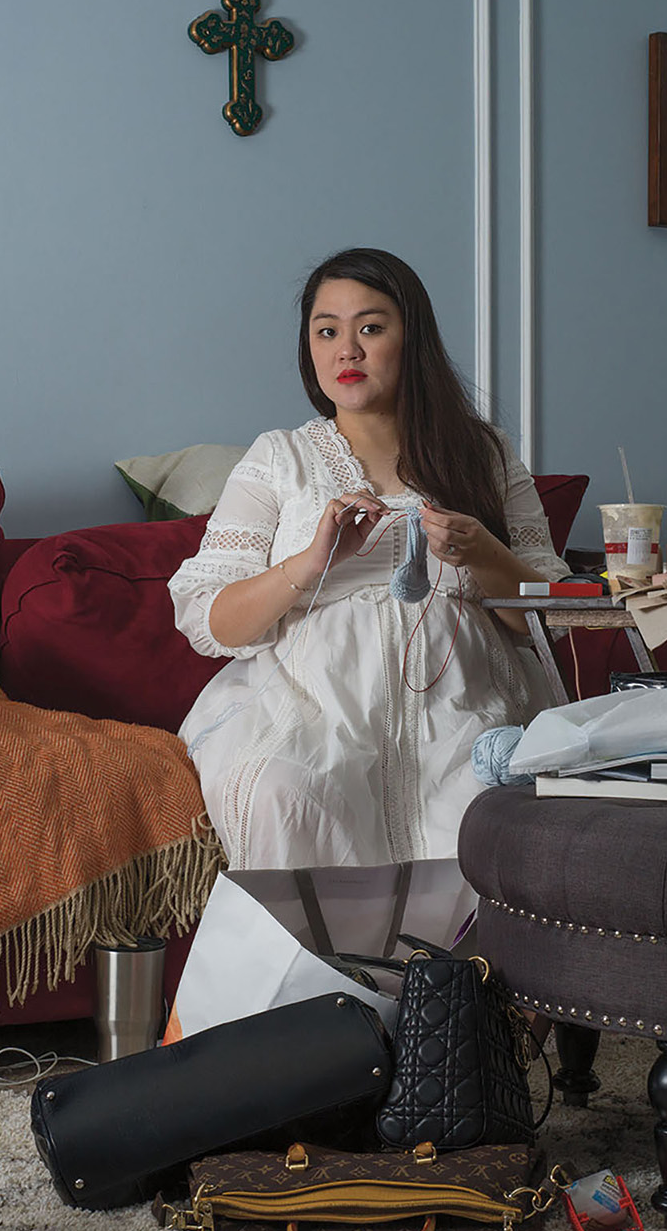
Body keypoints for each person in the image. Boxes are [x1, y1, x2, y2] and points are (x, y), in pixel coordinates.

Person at [168, 247, 569, 873]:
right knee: (285, 795)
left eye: (370, 328)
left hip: (464, 706)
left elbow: (555, 618)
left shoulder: (484, 453)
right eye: (326, 331)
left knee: (484, 808)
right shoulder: (280, 457)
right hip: (310, 708)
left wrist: (487, 555)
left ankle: (459, 974)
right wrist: (307, 564)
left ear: (414, 340)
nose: (345, 350)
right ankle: (323, 972)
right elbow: (209, 621)